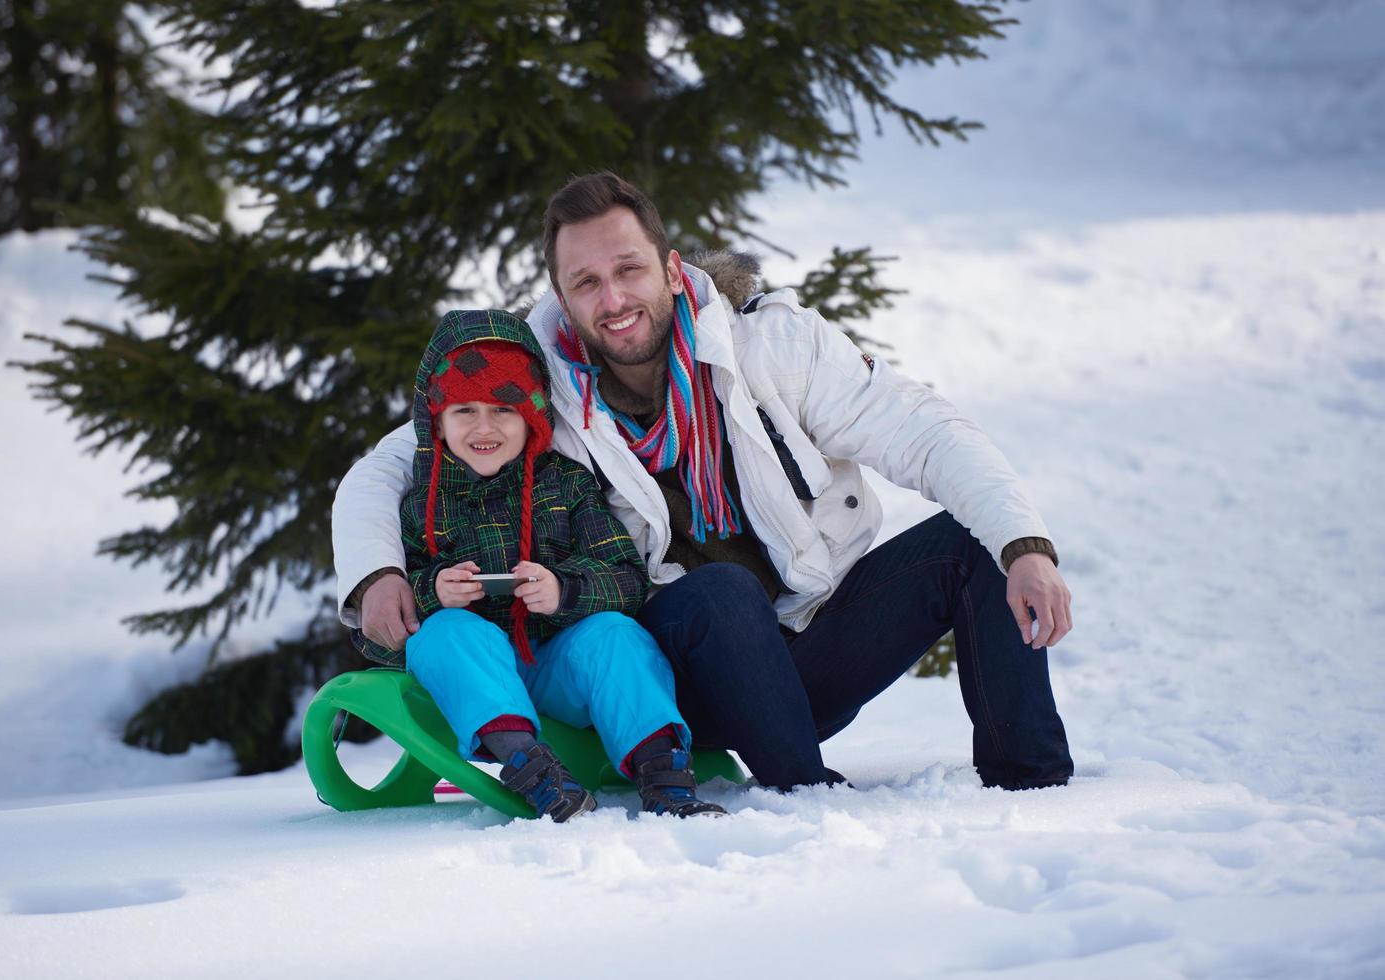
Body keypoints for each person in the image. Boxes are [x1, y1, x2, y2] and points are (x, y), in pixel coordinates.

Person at [335, 172, 1075, 793]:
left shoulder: (772, 346)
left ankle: (1030, 787)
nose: (612, 299)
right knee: (722, 591)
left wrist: (1024, 546)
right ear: (562, 296)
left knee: (976, 542)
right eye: (585, 282)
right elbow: (391, 464)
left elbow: (926, 429)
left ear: (669, 266)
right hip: (677, 673)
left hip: (811, 641)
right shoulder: (540, 391)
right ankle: (805, 795)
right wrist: (376, 573)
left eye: (627, 269)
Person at [353, 307, 726, 820]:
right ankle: (535, 773)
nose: (484, 428)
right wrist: (432, 591)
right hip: (474, 678)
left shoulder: (567, 486)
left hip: (557, 665)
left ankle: (664, 775)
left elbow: (626, 578)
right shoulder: (419, 504)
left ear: (531, 416)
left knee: (615, 634)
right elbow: (380, 634)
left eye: (504, 409)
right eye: (464, 411)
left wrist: (565, 590)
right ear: (435, 419)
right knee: (446, 633)